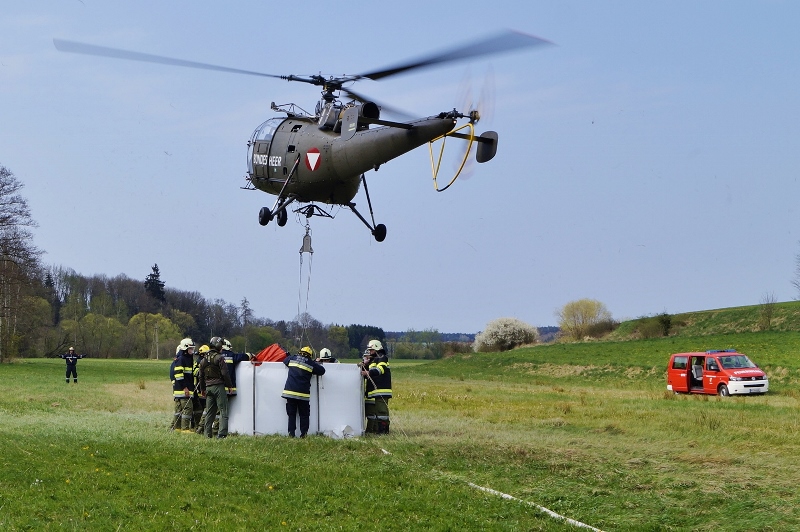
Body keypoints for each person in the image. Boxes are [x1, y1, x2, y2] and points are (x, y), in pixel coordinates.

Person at [281, 346, 326, 438]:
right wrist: (315, 362)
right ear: (310, 355)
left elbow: (285, 360)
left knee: (291, 415)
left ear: (299, 352)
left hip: (289, 393)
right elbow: (322, 371)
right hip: (303, 395)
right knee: (304, 415)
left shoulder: (292, 359)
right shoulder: (310, 363)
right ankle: (303, 435)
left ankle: (291, 434)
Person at [199, 336, 233, 439]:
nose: (222, 348)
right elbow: (225, 373)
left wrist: (202, 389)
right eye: (221, 346)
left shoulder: (204, 359)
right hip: (218, 387)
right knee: (223, 410)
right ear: (218, 346)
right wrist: (229, 386)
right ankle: (222, 434)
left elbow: (200, 376)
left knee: (210, 412)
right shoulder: (219, 358)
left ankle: (207, 434)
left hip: (208, 388)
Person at [362, 339, 392, 434]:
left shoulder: (382, 358)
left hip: (381, 390)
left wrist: (368, 372)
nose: (370, 352)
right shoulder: (373, 360)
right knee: (374, 413)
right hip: (374, 391)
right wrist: (365, 364)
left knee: (382, 413)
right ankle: (375, 431)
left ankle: (383, 432)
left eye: (371, 350)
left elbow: (380, 370)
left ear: (376, 348)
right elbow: (366, 372)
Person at [173, 338, 196, 433]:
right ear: (185, 348)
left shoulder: (187, 359)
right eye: (190, 348)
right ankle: (185, 429)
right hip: (183, 390)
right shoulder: (182, 359)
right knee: (187, 409)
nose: (192, 350)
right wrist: (185, 388)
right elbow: (178, 375)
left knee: (178, 410)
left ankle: (177, 428)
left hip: (179, 390)